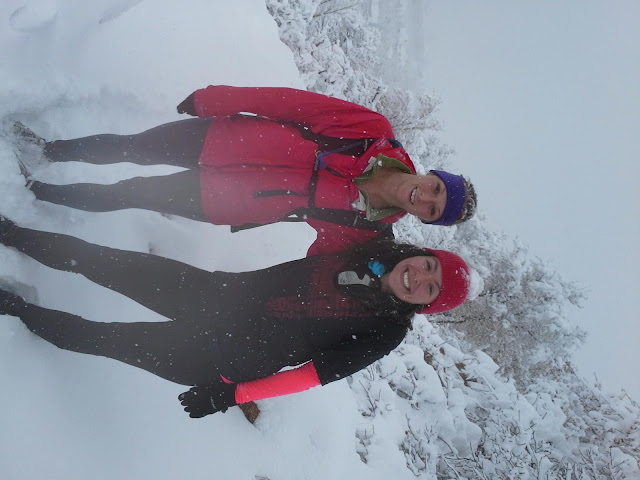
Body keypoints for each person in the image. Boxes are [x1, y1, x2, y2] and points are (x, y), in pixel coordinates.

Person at [0, 216, 474, 418]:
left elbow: (309, 376)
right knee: (104, 261)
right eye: (429, 265)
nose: (419, 277)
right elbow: (339, 193)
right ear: (422, 253)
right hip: (213, 295)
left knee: (101, 338)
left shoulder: (383, 332)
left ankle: (15, 307)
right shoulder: (371, 243)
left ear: (426, 305)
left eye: (430, 288)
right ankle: (13, 234)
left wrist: (230, 395)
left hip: (214, 357)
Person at [13, 85, 477, 255]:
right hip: (223, 138)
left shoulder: (367, 228)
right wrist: (216, 99)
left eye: (433, 210)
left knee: (130, 193)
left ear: (425, 220)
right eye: (436, 189)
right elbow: (293, 103)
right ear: (433, 175)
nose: (425, 198)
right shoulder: (373, 132)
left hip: (223, 201)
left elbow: (320, 265)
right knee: (132, 148)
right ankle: (47, 150)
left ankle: (39, 192)